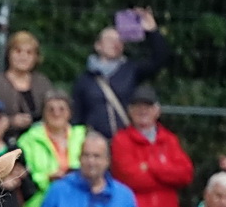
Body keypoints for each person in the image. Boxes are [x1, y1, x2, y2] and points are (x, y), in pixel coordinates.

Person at [109, 84, 195, 207]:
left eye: (148, 106)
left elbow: (186, 174)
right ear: (129, 111)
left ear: (157, 110)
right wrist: (167, 172)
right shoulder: (121, 140)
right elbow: (130, 179)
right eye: (137, 106)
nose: (143, 110)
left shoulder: (169, 140)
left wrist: (152, 167)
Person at [71, 8, 172, 138]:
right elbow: (77, 116)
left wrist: (152, 31)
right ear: (98, 45)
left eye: (119, 41)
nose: (115, 44)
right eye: (110, 40)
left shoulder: (131, 70)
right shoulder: (85, 79)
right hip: (95, 144)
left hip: (125, 141)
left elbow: (160, 59)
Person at [15, 90, 84, 207]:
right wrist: (47, 178)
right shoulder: (27, 140)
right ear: (43, 113)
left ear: (70, 113)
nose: (56, 113)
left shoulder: (83, 136)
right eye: (50, 109)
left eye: (61, 109)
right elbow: (24, 176)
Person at [0, 31, 53, 135]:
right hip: (2, 142)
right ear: (9, 54)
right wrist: (10, 122)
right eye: (18, 51)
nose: (23, 57)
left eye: (29, 52)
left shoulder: (43, 83)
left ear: (36, 57)